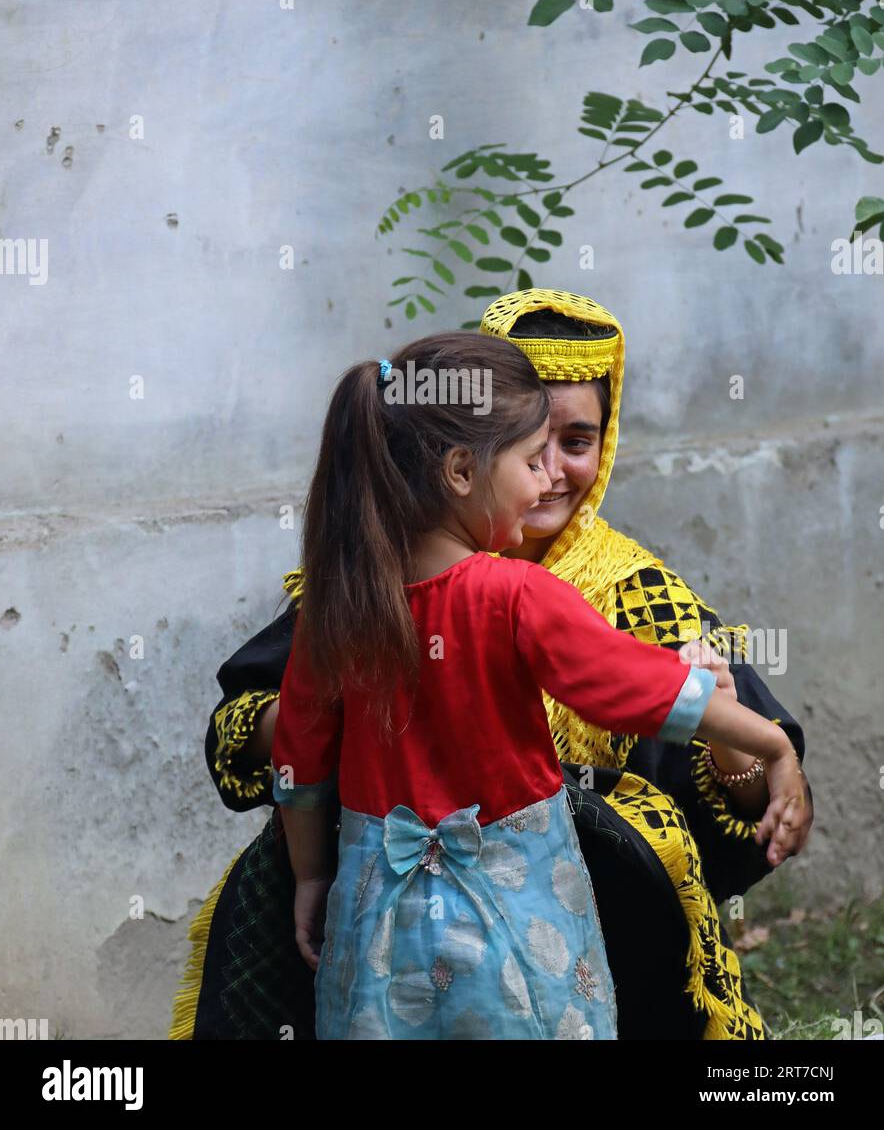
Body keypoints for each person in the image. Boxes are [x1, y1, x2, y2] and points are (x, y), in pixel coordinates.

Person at [169, 288, 812, 1041]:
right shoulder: (488, 594)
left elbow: (299, 770)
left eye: (576, 444)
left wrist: (739, 749)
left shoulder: (365, 595)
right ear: (460, 466)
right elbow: (640, 690)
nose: (552, 478)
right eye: (534, 453)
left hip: (381, 933)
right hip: (526, 928)